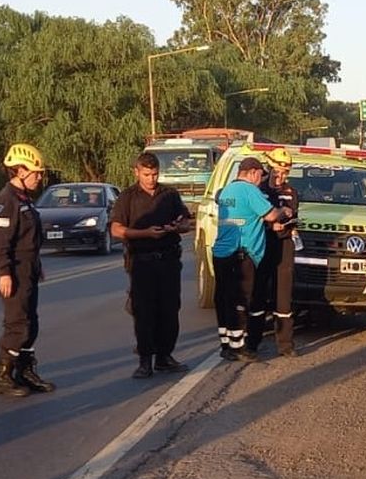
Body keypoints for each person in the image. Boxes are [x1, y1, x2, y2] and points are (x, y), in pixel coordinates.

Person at [111, 152, 193, 378]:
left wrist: (177, 227)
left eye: (155, 174)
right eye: (146, 174)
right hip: (142, 262)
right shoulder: (127, 197)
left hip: (168, 260)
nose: (151, 179)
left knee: (169, 310)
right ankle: (145, 360)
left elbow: (186, 222)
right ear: (136, 172)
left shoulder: (170, 194)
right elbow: (116, 229)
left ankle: (164, 357)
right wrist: (143, 233)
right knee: (144, 312)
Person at [0, 143, 56, 397]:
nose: (39, 177)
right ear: (19, 171)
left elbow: (30, 240)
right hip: (14, 270)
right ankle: (2, 376)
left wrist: (37, 266)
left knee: (32, 323)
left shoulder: (24, 199)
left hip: (28, 268)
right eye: (35, 173)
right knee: (18, 324)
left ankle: (24, 371)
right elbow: (0, 241)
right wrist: (4, 272)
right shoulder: (7, 201)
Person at [212, 157, 286, 362]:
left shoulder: (227, 191)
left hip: (222, 253)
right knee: (241, 301)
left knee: (225, 299)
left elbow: (242, 215)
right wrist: (283, 211)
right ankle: (239, 347)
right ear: (253, 172)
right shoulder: (249, 190)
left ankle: (226, 344)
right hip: (241, 254)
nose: (260, 180)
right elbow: (271, 215)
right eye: (260, 175)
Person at [255, 148, 300, 356]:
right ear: (268, 168)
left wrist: (286, 225)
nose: (280, 176)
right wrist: (270, 226)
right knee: (258, 292)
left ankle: (285, 344)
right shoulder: (257, 190)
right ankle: (252, 341)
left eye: (284, 173)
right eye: (277, 171)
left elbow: (293, 215)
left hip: (284, 245)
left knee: (283, 295)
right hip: (262, 243)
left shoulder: (291, 192)